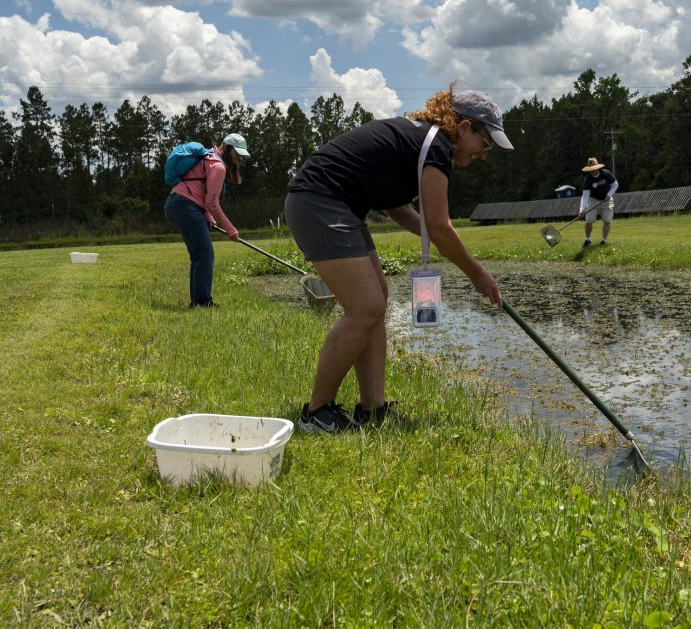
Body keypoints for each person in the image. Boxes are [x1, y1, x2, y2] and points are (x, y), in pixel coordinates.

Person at [284, 87, 513, 433]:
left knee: (377, 300)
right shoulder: (435, 146)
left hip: (338, 206)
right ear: (465, 127)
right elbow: (439, 224)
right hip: (320, 202)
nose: (485, 154)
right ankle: (316, 412)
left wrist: (436, 240)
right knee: (365, 306)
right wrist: (477, 274)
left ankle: (372, 408)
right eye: (487, 143)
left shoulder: (423, 143)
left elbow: (396, 207)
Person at [164, 133, 249, 307]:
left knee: (201, 254)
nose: (239, 158)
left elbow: (201, 192)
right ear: (227, 147)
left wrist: (208, 216)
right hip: (184, 205)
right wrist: (231, 229)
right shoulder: (218, 166)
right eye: (237, 153)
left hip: (180, 203)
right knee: (204, 255)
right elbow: (211, 202)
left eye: (241, 155)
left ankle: (199, 301)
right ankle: (201, 302)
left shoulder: (210, 157)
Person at [578, 157, 618, 247]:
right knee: (589, 221)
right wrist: (582, 209)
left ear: (598, 167)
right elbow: (585, 196)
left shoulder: (606, 173)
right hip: (593, 199)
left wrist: (609, 194)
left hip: (606, 199)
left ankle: (603, 241)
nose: (593, 171)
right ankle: (588, 239)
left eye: (594, 169)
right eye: (591, 169)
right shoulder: (588, 179)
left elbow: (615, 185)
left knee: (607, 221)